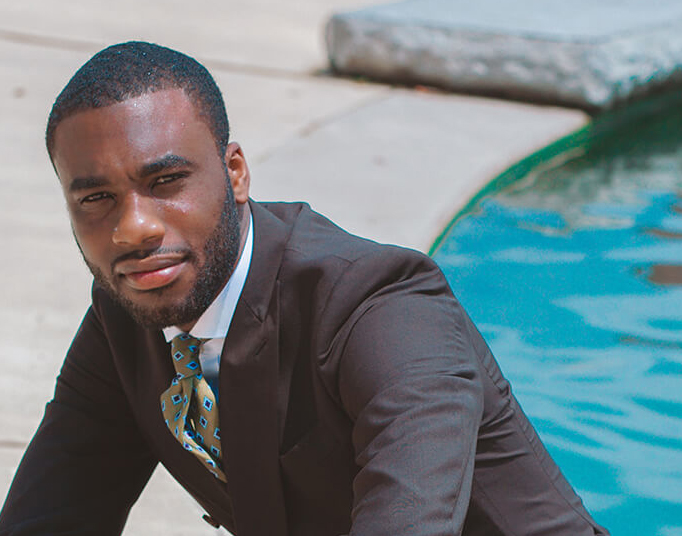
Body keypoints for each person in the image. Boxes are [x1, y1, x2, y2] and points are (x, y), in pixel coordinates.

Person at [0, 41, 608, 536]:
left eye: (166, 180)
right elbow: (49, 514)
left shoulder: (381, 307)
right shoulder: (126, 315)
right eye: (96, 199)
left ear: (235, 172)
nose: (133, 227)